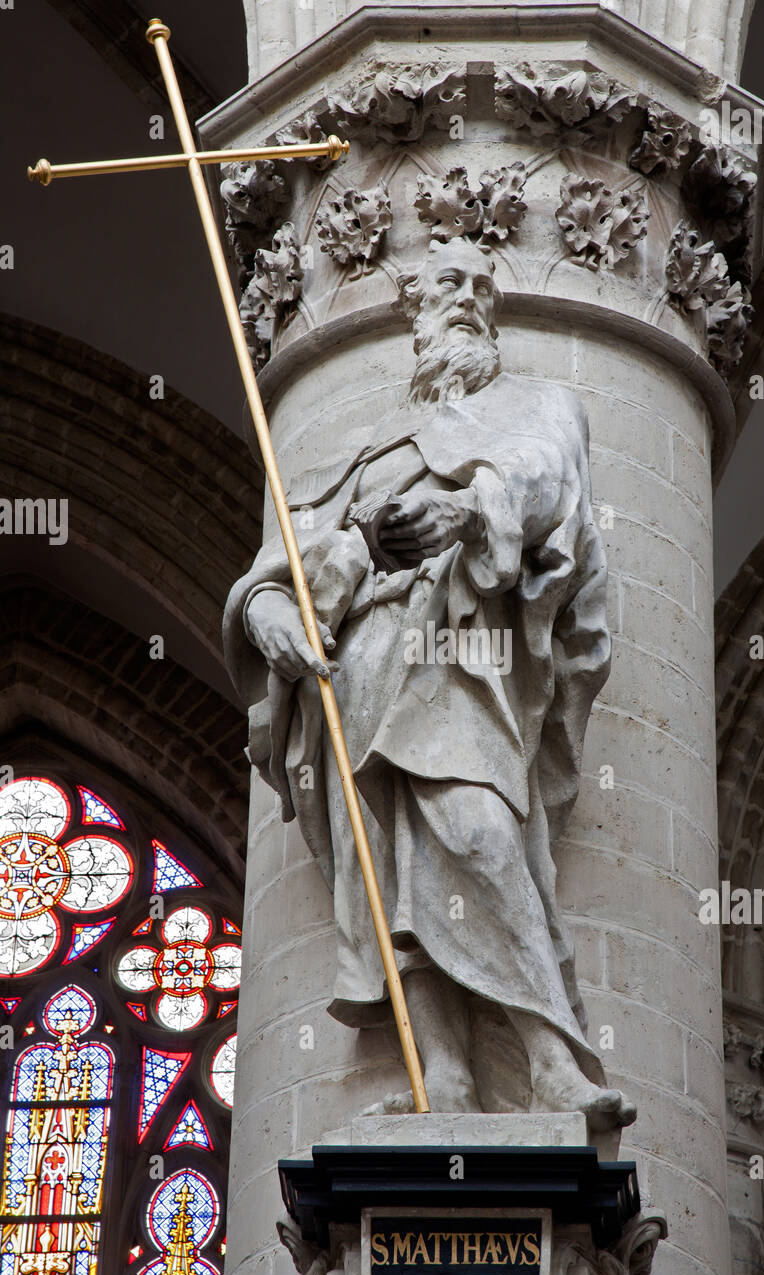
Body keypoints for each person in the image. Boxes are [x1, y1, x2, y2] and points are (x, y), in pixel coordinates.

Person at [224, 236, 635, 1129]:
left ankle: (549, 1059)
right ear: (413, 308)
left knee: (476, 828)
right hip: (356, 666)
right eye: (449, 282)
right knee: (384, 871)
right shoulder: (364, 447)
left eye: (484, 286)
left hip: (457, 655)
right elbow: (279, 563)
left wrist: (459, 511)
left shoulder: (537, 402)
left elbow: (542, 481)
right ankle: (441, 1075)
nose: (470, 298)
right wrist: (270, 616)